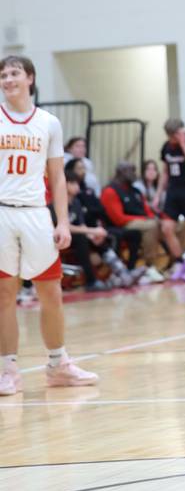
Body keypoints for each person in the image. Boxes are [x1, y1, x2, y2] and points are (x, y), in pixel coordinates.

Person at [0, 55, 99, 395]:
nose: (8, 79)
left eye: (14, 73)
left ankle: (58, 364)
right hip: (2, 213)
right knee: (4, 293)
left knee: (51, 291)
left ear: (30, 78)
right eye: (3, 75)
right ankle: (7, 369)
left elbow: (57, 178)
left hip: (36, 214)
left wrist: (64, 222)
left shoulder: (48, 123)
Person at [65, 166, 141, 290]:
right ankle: (92, 281)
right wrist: (90, 231)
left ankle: (121, 273)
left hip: (77, 234)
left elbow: (81, 224)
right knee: (82, 238)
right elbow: (64, 226)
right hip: (62, 236)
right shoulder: (57, 204)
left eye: (77, 183)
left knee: (98, 237)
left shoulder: (76, 202)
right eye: (73, 183)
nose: (77, 187)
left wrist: (91, 235)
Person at [156, 118, 185, 281]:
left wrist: (184, 145)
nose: (180, 136)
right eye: (176, 135)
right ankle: (180, 261)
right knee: (166, 228)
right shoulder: (166, 147)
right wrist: (157, 195)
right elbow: (164, 172)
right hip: (173, 192)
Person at [100, 162, 164, 282]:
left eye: (134, 170)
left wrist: (152, 218)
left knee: (167, 224)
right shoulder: (110, 191)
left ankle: (177, 262)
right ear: (120, 172)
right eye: (130, 170)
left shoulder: (136, 191)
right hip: (121, 225)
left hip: (140, 222)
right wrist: (145, 219)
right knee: (151, 225)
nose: (134, 174)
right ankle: (150, 266)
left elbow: (147, 210)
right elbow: (118, 219)